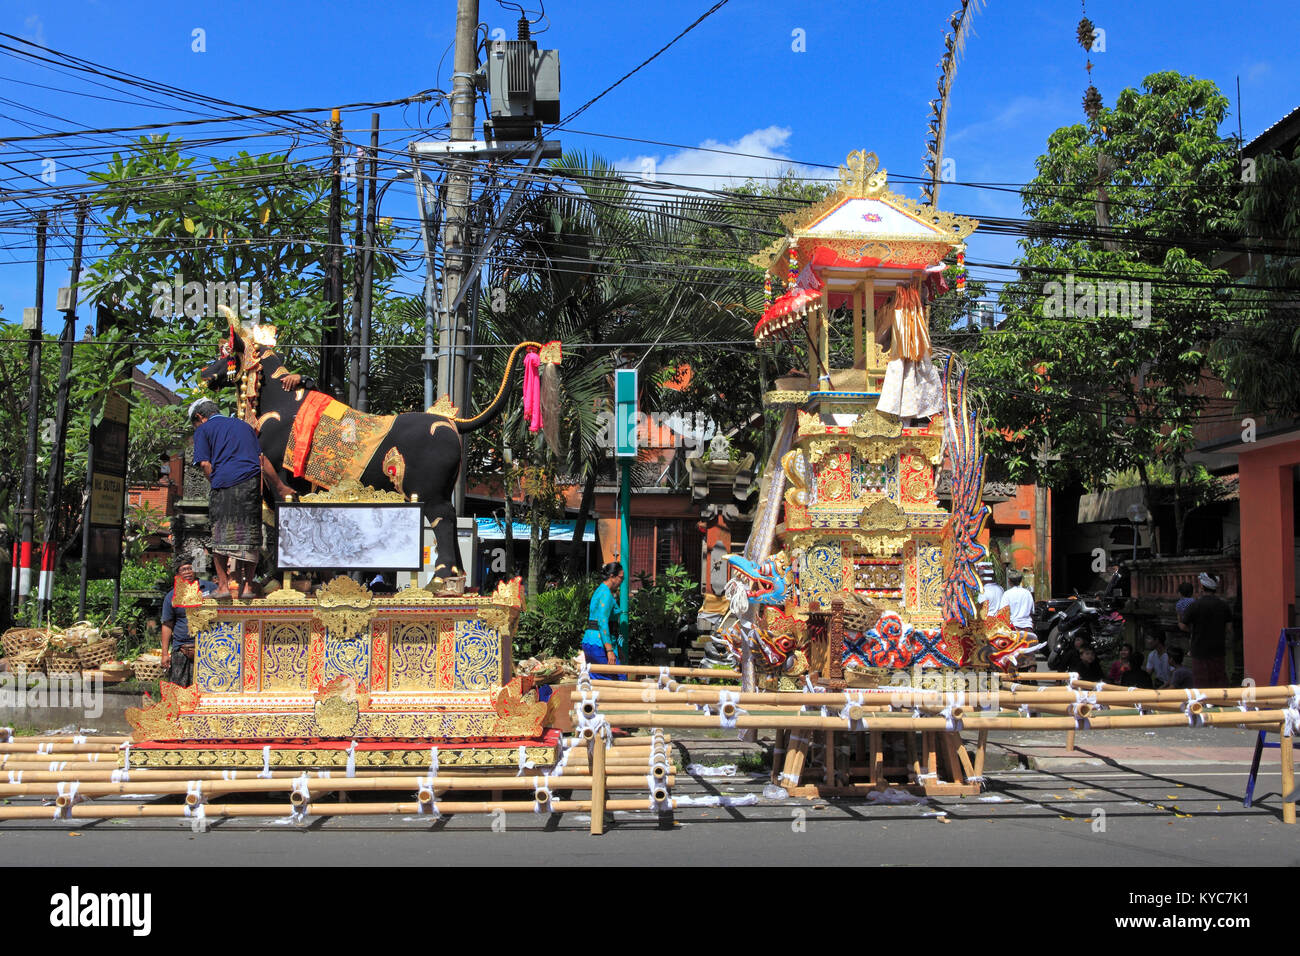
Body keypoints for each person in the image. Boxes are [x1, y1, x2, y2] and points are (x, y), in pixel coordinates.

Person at [190, 399, 290, 599]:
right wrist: (280, 486)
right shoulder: (245, 426)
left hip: (224, 484)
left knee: (219, 536)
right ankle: (247, 587)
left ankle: (224, 587)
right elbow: (261, 459)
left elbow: (204, 464)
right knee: (251, 534)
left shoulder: (203, 429)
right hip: (250, 485)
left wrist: (216, 481)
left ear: (200, 417)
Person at [160, 561, 218, 687]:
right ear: (178, 574)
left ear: (195, 570)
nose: (187, 572)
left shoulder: (210, 588)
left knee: (205, 688)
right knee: (178, 689)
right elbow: (167, 624)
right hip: (182, 649)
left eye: (190, 568)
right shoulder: (172, 595)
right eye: (183, 569)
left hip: (208, 649)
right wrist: (165, 654)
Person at [1179, 572, 1231, 687]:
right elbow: (1228, 628)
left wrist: (1195, 631)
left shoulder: (1195, 605)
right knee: (1219, 681)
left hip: (1199, 650)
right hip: (1218, 649)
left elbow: (1182, 625)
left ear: (1202, 587)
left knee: (1202, 682)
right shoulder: (1223, 605)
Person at [582, 562, 625, 681]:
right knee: (619, 680)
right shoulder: (606, 594)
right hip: (600, 644)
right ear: (612, 576)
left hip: (589, 643)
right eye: (621, 577)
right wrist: (610, 650)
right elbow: (602, 621)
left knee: (597, 681)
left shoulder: (599, 590)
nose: (622, 581)